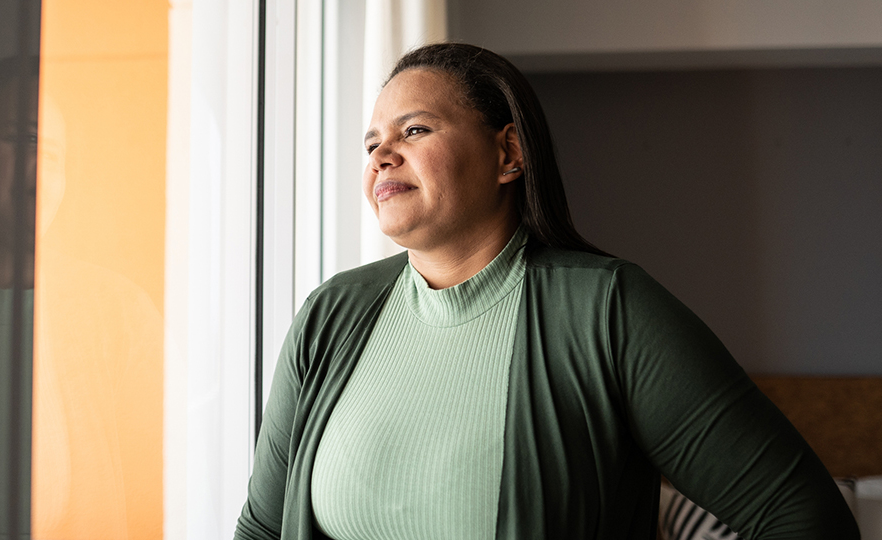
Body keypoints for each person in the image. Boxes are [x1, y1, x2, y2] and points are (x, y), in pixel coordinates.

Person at [234, 43, 858, 540]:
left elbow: (804, 517)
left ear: (508, 152)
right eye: (372, 144)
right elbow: (262, 529)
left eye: (414, 130)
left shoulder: (609, 311)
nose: (381, 157)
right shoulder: (328, 316)